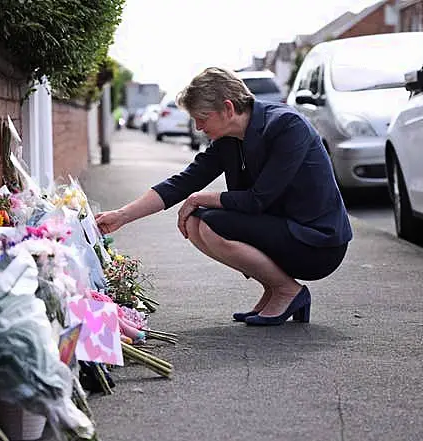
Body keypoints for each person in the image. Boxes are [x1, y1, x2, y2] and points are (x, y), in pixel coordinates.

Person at [95, 67, 353, 326]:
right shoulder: (230, 139)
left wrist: (199, 198)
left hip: (317, 242)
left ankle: (288, 291)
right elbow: (182, 182)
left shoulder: (286, 126)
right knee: (196, 222)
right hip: (283, 229)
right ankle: (275, 289)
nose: (197, 126)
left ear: (228, 108)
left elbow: (258, 200)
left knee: (210, 224)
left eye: (202, 117)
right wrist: (122, 216)